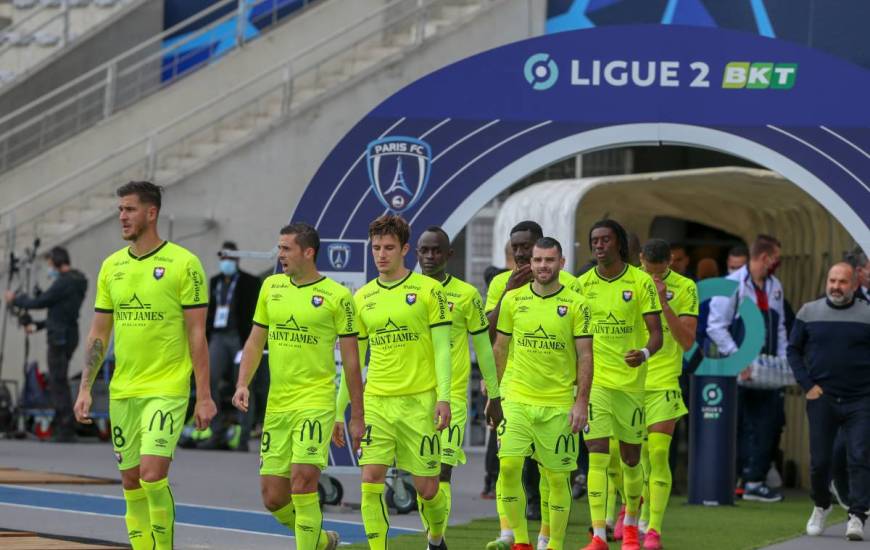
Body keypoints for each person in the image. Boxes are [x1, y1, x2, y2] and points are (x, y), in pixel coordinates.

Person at [73, 181, 217, 550]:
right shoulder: (112, 267)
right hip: (124, 391)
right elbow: (99, 333)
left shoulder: (184, 264)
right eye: (120, 209)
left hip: (167, 389)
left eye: (130, 209)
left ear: (151, 213)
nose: (122, 217)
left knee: (153, 475)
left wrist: (204, 396)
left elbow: (197, 335)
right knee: (132, 482)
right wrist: (86, 387)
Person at [232, 223, 364, 550]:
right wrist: (242, 383)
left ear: (308, 252)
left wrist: (355, 415)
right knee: (273, 498)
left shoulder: (337, 297)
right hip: (278, 406)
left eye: (286, 249)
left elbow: (351, 361)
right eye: (279, 249)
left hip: (315, 402)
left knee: (303, 483)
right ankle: (318, 541)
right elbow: (253, 341)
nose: (280, 256)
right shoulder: (271, 287)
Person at [336, 214, 452, 550]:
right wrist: (338, 412)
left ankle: (435, 538)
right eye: (376, 248)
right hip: (377, 403)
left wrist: (443, 398)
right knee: (371, 481)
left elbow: (443, 350)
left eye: (388, 247)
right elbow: (353, 364)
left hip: (420, 402)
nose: (381, 254)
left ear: (405, 249)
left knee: (428, 489)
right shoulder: (362, 298)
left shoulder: (429, 291)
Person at [492, 236, 593, 550]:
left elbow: (586, 355)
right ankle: (520, 542)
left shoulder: (578, 305)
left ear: (561, 263)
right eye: (537, 260)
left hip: (558, 404)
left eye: (550, 260)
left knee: (557, 478)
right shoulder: (513, 300)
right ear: (529, 263)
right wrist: (493, 396)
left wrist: (581, 401)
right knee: (508, 466)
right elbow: (500, 347)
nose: (543, 266)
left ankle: (554, 544)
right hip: (517, 399)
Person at [575, 219, 663, 550]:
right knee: (597, 455)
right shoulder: (582, 285)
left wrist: (642, 352)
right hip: (595, 383)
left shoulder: (640, 283)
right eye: (594, 240)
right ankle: (598, 535)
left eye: (605, 240)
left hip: (630, 385)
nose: (599, 245)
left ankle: (629, 529)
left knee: (630, 459)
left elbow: (657, 335)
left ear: (619, 244)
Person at [416, 226, 504, 540]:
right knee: (422, 477)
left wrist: (493, 395)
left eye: (436, 250)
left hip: (451, 396)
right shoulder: (404, 292)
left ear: (448, 254)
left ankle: (433, 540)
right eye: (424, 250)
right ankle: (435, 537)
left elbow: (484, 348)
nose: (429, 257)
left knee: (442, 471)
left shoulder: (466, 295)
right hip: (411, 396)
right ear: (416, 253)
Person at [788, 262, 870, 541]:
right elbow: (793, 350)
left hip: (861, 399)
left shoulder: (867, 314)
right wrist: (807, 385)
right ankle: (821, 504)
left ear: (855, 285)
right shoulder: (808, 312)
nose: (836, 286)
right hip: (822, 398)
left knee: (859, 456)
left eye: (843, 282)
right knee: (820, 462)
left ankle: (858, 515)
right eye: (832, 280)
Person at [707, 234, 787, 503]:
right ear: (764, 258)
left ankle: (755, 479)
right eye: (775, 258)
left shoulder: (775, 286)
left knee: (770, 423)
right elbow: (715, 327)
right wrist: (738, 359)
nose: (777, 263)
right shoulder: (732, 285)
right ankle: (741, 479)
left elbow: (780, 327)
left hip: (769, 370)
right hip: (741, 372)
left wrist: (784, 360)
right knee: (740, 425)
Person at [637, 239, 698, 549]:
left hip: (663, 382)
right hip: (630, 383)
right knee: (636, 460)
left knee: (659, 454)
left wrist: (663, 302)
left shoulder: (686, 287)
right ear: (640, 262)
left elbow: (688, 342)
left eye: (661, 272)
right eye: (649, 272)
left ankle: (654, 530)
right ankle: (632, 515)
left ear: (671, 262)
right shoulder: (628, 283)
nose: (655, 277)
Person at [5, 246, 87, 442]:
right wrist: (38, 325)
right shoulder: (77, 281)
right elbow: (59, 312)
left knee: (58, 381)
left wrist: (16, 299)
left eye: (50, 264)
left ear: (58, 262)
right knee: (59, 380)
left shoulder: (64, 283)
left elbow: (42, 301)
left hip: (60, 337)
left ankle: (65, 428)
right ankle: (64, 425)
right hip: (67, 333)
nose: (49, 268)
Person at [202, 240, 260, 450]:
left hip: (239, 337)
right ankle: (216, 431)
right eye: (223, 258)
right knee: (209, 380)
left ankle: (243, 435)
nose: (227, 262)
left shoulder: (250, 282)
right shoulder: (216, 281)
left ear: (237, 258)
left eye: (230, 258)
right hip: (219, 335)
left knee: (243, 384)